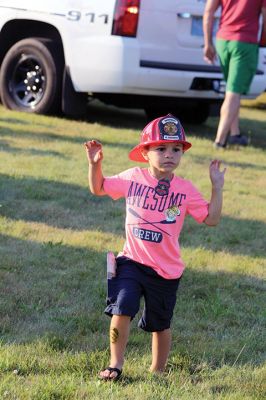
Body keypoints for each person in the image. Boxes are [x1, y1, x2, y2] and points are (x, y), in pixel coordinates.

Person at [84, 114, 226, 380]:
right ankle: (115, 364)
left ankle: (158, 371)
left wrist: (217, 188)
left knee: (160, 324)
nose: (169, 155)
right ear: (145, 153)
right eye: (161, 148)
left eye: (176, 149)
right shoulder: (133, 178)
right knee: (121, 308)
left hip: (166, 271)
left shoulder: (185, 190)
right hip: (132, 262)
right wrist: (95, 165)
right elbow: (99, 188)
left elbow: (212, 219)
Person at [203, 0, 266, 148]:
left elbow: (208, 12)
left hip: (223, 41)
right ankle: (220, 140)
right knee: (233, 92)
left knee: (231, 91)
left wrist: (207, 43)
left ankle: (235, 134)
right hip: (244, 43)